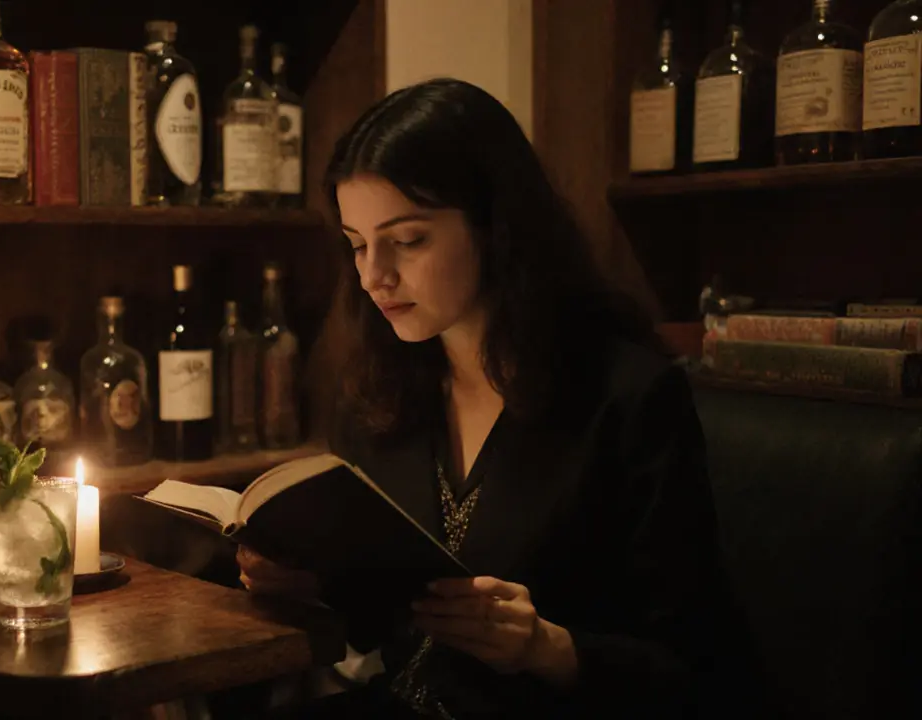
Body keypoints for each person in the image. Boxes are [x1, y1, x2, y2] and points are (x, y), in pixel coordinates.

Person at [236, 79, 756, 718]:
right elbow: (379, 621)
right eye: (358, 244)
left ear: (495, 226)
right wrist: (305, 585)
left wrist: (547, 648)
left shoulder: (628, 398)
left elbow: (702, 672)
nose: (374, 276)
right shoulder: (385, 391)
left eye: (408, 240)